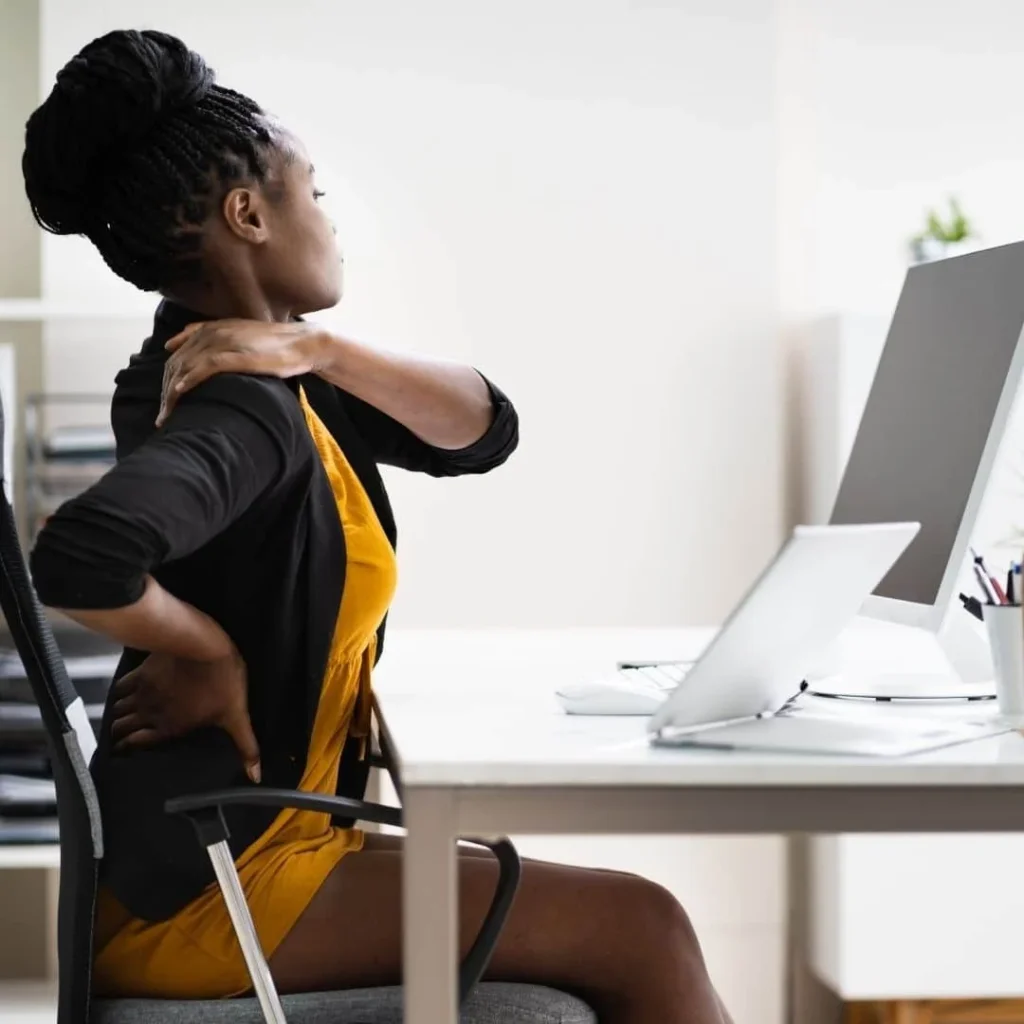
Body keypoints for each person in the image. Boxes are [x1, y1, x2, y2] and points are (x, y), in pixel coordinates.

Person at [22, 29, 732, 1024]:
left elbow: (483, 429)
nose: (329, 218)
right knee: (645, 927)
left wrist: (319, 345)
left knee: (611, 925)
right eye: (312, 191)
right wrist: (207, 650)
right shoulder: (235, 406)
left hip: (261, 835)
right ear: (247, 213)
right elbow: (81, 553)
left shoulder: (272, 377)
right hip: (218, 882)